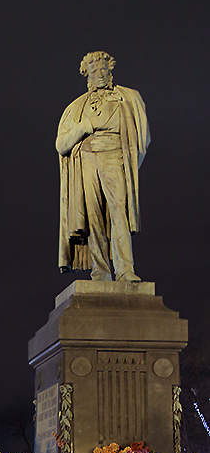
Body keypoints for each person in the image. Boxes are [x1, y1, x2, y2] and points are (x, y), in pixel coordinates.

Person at [57, 51, 150, 282]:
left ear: (110, 70)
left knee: (119, 211)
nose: (99, 75)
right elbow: (61, 144)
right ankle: (100, 272)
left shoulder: (128, 98)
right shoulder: (76, 107)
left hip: (114, 157)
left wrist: (129, 166)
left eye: (102, 69)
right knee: (93, 216)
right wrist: (83, 127)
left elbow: (143, 140)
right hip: (87, 161)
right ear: (87, 75)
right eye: (93, 71)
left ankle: (125, 269)